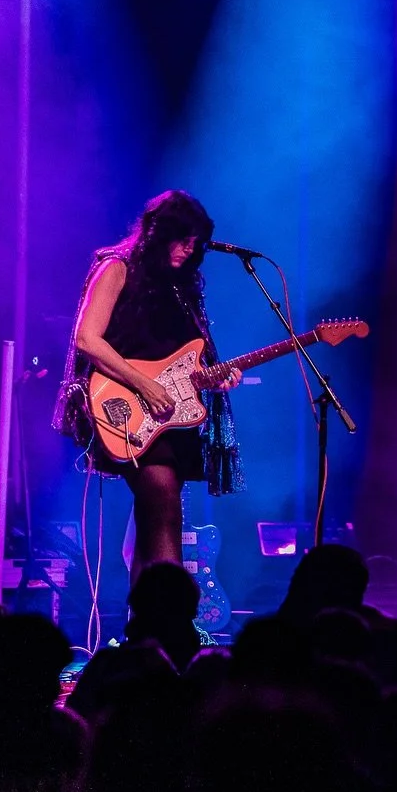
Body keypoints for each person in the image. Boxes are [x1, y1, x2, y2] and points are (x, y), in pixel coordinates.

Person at [52, 190, 245, 586]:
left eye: (196, 244)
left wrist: (217, 376)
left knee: (157, 512)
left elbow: (188, 360)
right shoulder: (116, 267)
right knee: (162, 501)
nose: (188, 250)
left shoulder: (182, 288)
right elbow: (88, 338)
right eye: (181, 239)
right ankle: (171, 620)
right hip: (124, 399)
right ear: (158, 234)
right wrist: (144, 384)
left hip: (169, 417)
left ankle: (146, 625)